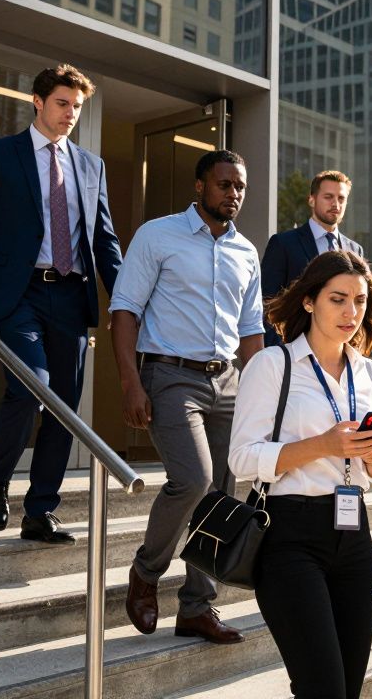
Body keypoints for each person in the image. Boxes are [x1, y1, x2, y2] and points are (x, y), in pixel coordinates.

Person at [0, 64, 122, 544]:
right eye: (62, 104)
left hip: (71, 295)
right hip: (17, 293)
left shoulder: (90, 165)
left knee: (63, 407)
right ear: (37, 102)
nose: (70, 114)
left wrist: (126, 296)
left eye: (77, 107)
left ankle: (40, 510)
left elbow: (103, 239)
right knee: (31, 382)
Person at [109, 150, 264, 644]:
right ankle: (146, 572)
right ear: (200, 187)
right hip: (170, 376)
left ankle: (197, 607)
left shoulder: (246, 252)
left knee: (220, 494)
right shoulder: (158, 235)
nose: (232, 194)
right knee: (193, 479)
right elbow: (125, 310)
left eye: (239, 187)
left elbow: (251, 332)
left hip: (229, 382)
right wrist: (131, 381)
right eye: (223, 185)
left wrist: (264, 394)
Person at [228, 250, 372, 699]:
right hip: (288, 536)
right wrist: (324, 445)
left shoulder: (370, 373)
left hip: (353, 534)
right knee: (322, 687)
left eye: (360, 301)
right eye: (338, 299)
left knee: (349, 687)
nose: (351, 313)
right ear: (308, 302)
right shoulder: (271, 365)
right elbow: (242, 459)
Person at [260, 170, 365, 345]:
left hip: (339, 351)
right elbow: (267, 303)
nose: (335, 204)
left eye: (341, 198)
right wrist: (280, 350)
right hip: (294, 347)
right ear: (311, 199)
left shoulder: (355, 250)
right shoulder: (284, 243)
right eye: (328, 197)